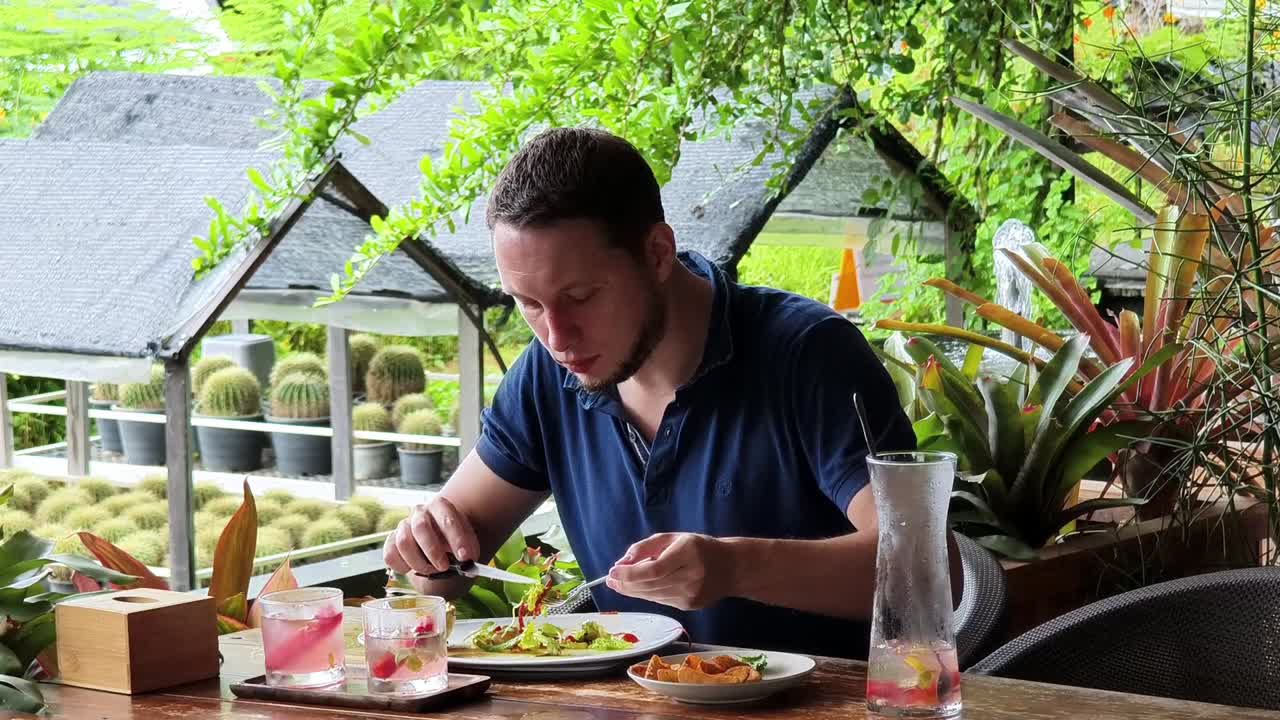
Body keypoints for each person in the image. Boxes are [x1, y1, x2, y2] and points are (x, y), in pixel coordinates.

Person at [383, 126, 950, 659]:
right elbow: (444, 565)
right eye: (528, 304)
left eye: (580, 297)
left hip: (822, 705)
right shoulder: (545, 377)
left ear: (657, 253)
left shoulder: (807, 353)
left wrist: (735, 567)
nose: (556, 337)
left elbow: (925, 565)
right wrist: (426, 552)